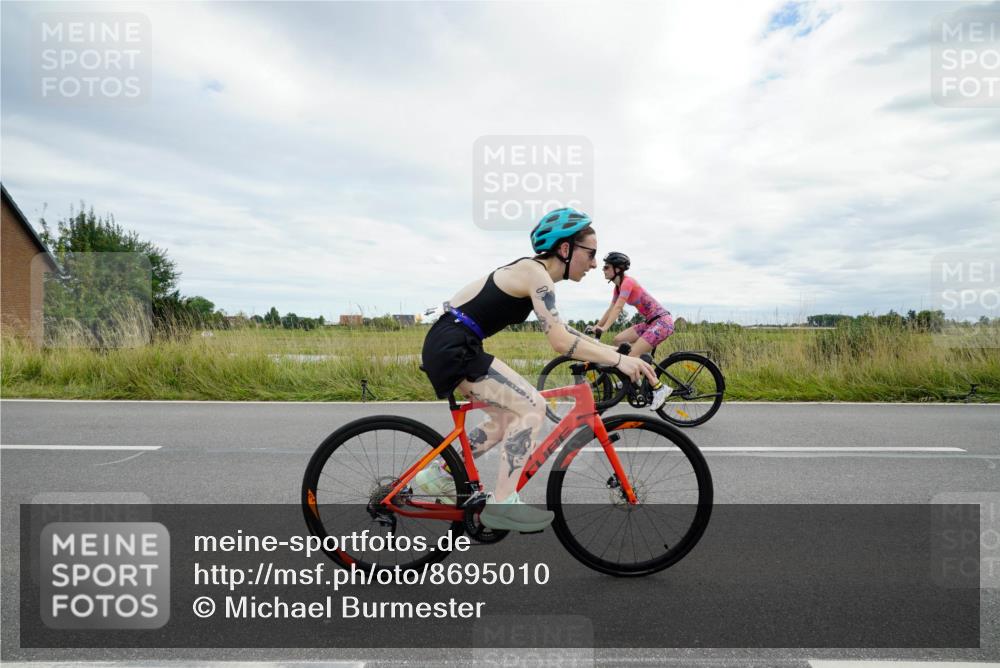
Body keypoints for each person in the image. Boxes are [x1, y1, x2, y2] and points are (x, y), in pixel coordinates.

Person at [416, 208, 661, 533]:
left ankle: (440, 474)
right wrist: (618, 361)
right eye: (590, 254)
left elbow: (565, 330)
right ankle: (502, 503)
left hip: (454, 342)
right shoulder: (537, 276)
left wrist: (613, 353)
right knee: (532, 407)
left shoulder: (534, 274)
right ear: (565, 249)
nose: (593, 264)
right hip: (454, 344)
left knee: (506, 418)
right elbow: (560, 341)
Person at [590, 252, 674, 405]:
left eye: (606, 267)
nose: (603, 269)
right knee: (618, 340)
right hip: (650, 322)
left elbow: (618, 308)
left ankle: (659, 388)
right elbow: (611, 308)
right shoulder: (617, 287)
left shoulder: (628, 282)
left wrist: (605, 328)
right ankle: (632, 378)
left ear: (618, 269)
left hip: (662, 322)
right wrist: (598, 326)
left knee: (632, 354)